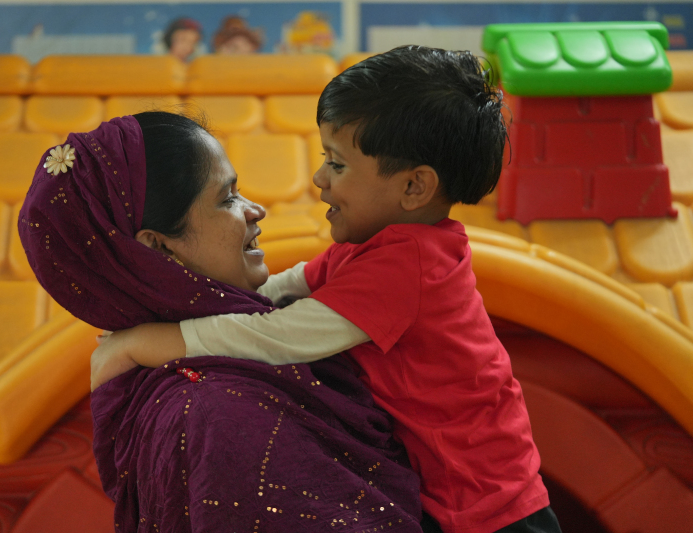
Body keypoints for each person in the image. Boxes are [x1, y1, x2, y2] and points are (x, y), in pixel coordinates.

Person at [91, 48, 563, 533]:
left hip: (493, 510)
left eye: (336, 165)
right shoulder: (381, 249)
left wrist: (149, 342)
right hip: (458, 498)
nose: (319, 180)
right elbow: (281, 289)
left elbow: (281, 335)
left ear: (415, 187)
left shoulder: (407, 267)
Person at [18, 111, 425, 531]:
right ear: (157, 249)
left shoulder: (187, 362)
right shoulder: (217, 414)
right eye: (227, 198)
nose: (256, 210)